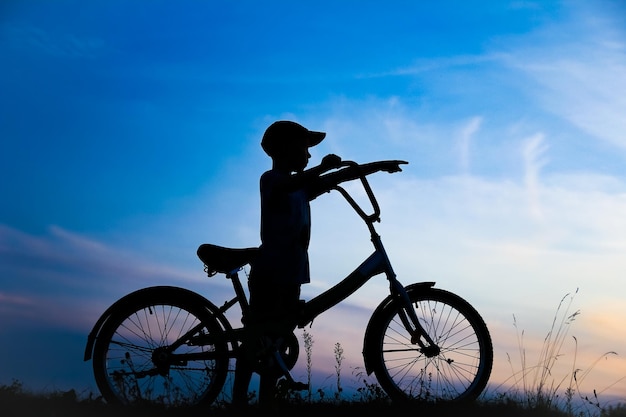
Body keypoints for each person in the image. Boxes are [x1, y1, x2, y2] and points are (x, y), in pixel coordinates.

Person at [232, 120, 406, 407]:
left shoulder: (301, 189)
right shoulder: (272, 180)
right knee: (255, 341)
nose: (309, 155)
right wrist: (323, 168)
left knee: (274, 341)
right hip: (271, 273)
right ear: (286, 149)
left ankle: (265, 403)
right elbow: (293, 182)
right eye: (305, 148)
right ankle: (238, 402)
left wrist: (378, 166)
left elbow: (341, 178)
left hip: (290, 274)